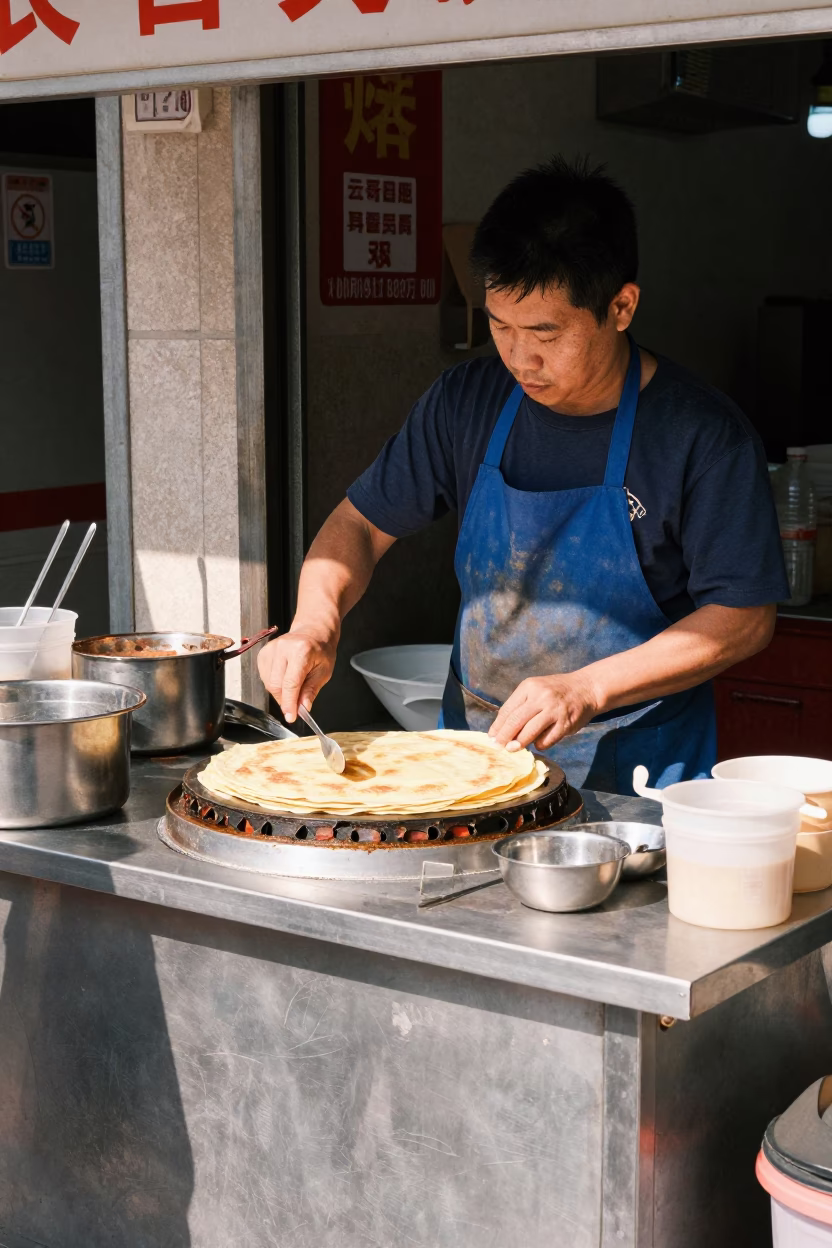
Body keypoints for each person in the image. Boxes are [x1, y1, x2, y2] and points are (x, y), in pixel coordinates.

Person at [258, 156, 788, 792]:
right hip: (473, 762)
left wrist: (587, 688)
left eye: (546, 332)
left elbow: (744, 617)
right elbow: (359, 526)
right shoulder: (467, 401)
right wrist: (313, 625)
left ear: (621, 307)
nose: (518, 356)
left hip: (638, 774)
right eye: (499, 326)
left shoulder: (700, 436)